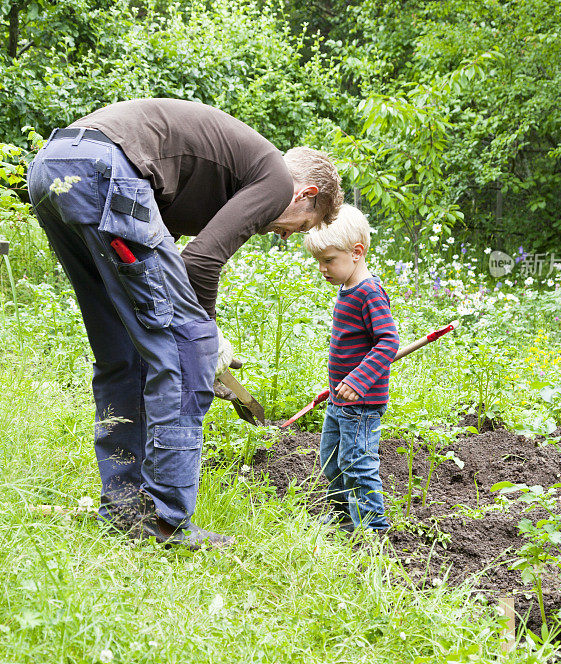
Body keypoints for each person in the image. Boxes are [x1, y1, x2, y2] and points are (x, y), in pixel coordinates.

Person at [27, 98, 342, 549]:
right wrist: (208, 338)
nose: (289, 235)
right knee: (187, 353)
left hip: (54, 167)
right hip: (103, 168)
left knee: (122, 351)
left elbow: (165, 257)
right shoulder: (275, 180)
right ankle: (166, 523)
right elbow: (201, 261)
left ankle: (122, 510)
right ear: (305, 194)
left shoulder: (224, 177)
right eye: (302, 224)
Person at [304, 204, 399, 533]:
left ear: (356, 253)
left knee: (357, 463)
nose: (322, 269)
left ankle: (372, 529)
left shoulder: (370, 293)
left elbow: (388, 342)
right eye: (319, 261)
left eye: (329, 260)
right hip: (339, 398)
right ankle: (345, 515)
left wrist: (358, 380)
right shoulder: (347, 289)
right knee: (331, 458)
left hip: (361, 402)